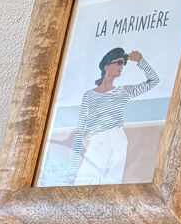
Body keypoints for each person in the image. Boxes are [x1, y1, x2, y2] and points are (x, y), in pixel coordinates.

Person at [67, 48, 159, 185]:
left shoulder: (123, 91)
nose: (122, 66)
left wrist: (140, 61)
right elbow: (80, 129)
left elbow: (154, 80)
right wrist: (71, 170)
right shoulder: (89, 95)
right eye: (119, 62)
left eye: (123, 64)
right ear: (107, 66)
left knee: (111, 185)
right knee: (84, 182)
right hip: (97, 140)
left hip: (117, 139)